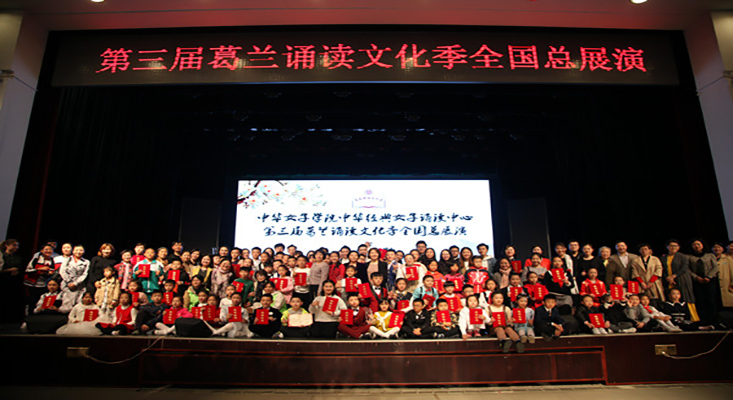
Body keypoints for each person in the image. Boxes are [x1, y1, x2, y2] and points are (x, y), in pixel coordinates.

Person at [687, 239, 720, 327]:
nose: (696, 246)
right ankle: (703, 321)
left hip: (710, 280)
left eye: (698, 244)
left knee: (711, 300)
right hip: (697, 281)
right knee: (700, 300)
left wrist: (708, 277)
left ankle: (713, 320)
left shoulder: (710, 255)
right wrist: (696, 277)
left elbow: (715, 267)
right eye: (694, 244)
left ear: (702, 245)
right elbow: (688, 269)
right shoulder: (689, 257)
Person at [660, 239, 696, 317]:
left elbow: (684, 267)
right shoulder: (663, 257)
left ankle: (690, 317)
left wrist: (674, 276)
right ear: (667, 247)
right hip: (669, 281)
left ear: (679, 247)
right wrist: (668, 278)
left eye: (675, 246)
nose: (673, 247)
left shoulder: (683, 256)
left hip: (681, 279)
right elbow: (662, 269)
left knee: (685, 297)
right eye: (671, 246)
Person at [24, 244, 56, 314]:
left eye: (50, 249)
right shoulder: (36, 259)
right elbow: (27, 270)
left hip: (42, 284)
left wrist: (49, 273)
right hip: (31, 283)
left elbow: (51, 271)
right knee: (30, 300)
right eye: (46, 249)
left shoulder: (52, 261)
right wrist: (39, 269)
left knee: (38, 300)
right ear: (41, 250)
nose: (48, 251)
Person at [711, 242, 733, 308]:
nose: (717, 249)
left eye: (719, 247)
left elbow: (732, 271)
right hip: (714, 282)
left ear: (723, 249)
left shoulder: (727, 258)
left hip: (726, 282)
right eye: (715, 247)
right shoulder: (710, 258)